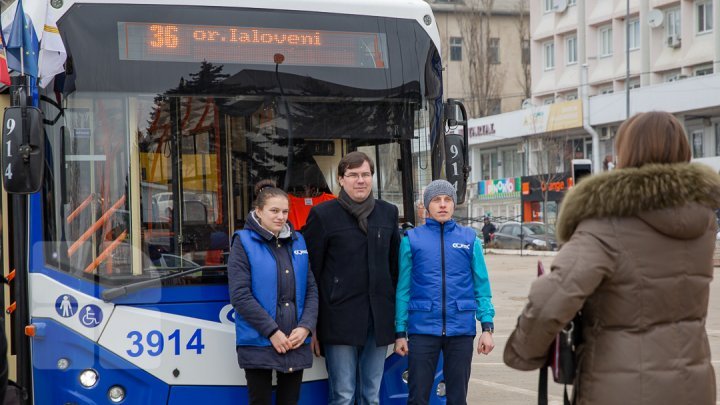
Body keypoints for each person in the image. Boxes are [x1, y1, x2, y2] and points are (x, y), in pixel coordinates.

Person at [503, 111, 720, 404]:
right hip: (694, 384)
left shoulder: (607, 223)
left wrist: (523, 351)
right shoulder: (703, 220)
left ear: (627, 152)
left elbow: (551, 298)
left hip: (620, 387)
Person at [303, 151, 400, 405]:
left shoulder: (388, 213)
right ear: (340, 179)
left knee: (372, 395)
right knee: (343, 395)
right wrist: (312, 325)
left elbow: (395, 269)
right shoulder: (323, 215)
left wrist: (398, 320)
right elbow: (311, 272)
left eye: (365, 174)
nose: (360, 180)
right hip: (338, 321)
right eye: (353, 175)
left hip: (378, 320)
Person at [394, 180, 495, 405]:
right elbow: (403, 289)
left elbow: (482, 286)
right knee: (417, 398)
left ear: (453, 204)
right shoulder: (411, 240)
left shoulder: (469, 240)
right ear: (427, 205)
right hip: (422, 330)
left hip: (461, 331)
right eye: (436, 200)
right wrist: (400, 332)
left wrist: (487, 328)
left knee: (458, 398)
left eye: (447, 200)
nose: (442, 205)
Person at [227, 179, 319, 405]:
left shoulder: (299, 242)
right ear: (258, 212)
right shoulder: (243, 242)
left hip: (295, 341)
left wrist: (305, 327)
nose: (280, 216)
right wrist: (272, 332)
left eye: (285, 211)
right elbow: (240, 295)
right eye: (274, 211)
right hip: (258, 342)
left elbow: (311, 290)